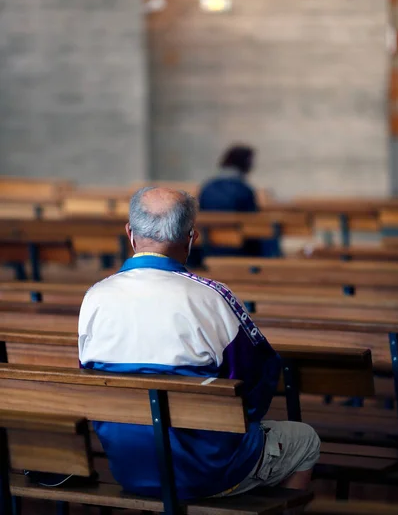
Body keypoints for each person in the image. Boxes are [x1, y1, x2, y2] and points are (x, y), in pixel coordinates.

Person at [79, 187, 320, 501]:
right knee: (306, 439)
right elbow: (256, 377)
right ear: (191, 237)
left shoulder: (95, 296)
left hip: (128, 466)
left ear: (130, 233)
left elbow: (91, 380)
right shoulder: (210, 295)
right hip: (208, 471)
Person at [199, 145, 258, 212]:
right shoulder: (243, 190)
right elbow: (252, 215)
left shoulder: (208, 186)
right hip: (239, 222)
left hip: (207, 222)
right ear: (245, 163)